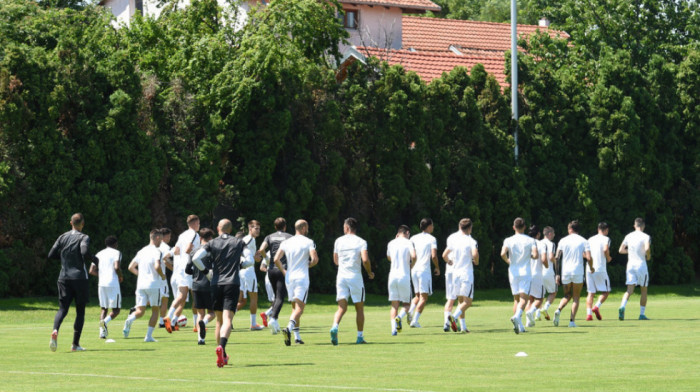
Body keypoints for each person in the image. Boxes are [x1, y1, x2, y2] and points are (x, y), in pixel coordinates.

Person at [192, 219, 245, 367]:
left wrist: (206, 272)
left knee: (218, 321)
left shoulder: (212, 243)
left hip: (215, 284)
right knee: (228, 319)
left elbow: (196, 258)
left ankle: (223, 354)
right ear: (231, 229)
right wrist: (240, 265)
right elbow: (250, 260)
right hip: (232, 283)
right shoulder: (238, 241)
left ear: (218, 228)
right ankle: (221, 347)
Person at [48, 213, 96, 352]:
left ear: (71, 223)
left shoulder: (62, 237)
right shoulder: (84, 237)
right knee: (80, 311)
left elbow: (51, 254)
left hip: (63, 277)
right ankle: (75, 345)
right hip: (79, 278)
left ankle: (55, 330)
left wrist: (64, 258)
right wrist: (93, 259)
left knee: (62, 309)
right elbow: (85, 251)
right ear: (82, 224)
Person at [273, 219, 319, 346]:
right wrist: (308, 264)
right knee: (300, 308)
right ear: (303, 228)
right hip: (301, 278)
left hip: (289, 278)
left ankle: (297, 337)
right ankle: (288, 328)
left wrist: (283, 271)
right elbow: (315, 259)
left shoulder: (287, 242)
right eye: (307, 227)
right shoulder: (308, 241)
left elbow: (276, 258)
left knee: (294, 308)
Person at [330, 218, 375, 345]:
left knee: (341, 307)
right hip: (355, 277)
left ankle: (334, 326)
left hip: (341, 277)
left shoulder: (338, 241)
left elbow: (335, 260)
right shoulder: (361, 242)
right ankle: (360, 337)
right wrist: (369, 272)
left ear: (347, 227)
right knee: (359, 308)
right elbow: (365, 260)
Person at [123, 229, 168, 342]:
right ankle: (148, 336)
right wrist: (162, 276)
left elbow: (130, 267)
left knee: (140, 310)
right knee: (155, 310)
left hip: (141, 285)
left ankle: (130, 319)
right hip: (153, 285)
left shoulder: (141, 251)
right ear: (157, 238)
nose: (161, 242)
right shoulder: (157, 251)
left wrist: (141, 275)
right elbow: (157, 266)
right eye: (161, 239)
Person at [501, 217, 538, 334]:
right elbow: (535, 255)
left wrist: (508, 261)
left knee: (516, 300)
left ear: (514, 227)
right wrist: (530, 256)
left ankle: (520, 326)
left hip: (513, 272)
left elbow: (502, 253)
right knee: (524, 299)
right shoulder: (530, 240)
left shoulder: (508, 240)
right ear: (525, 227)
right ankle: (517, 317)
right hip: (525, 272)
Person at [552, 220, 592, 328]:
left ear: (570, 229)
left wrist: (557, 274)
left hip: (565, 272)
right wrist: (592, 267)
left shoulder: (563, 240)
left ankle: (558, 310)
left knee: (567, 295)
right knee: (576, 297)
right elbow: (588, 257)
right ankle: (571, 322)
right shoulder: (584, 241)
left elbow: (557, 258)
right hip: (578, 272)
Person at [164, 215, 201, 332]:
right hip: (190, 268)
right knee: (195, 294)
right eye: (198, 223)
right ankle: (196, 324)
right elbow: (188, 249)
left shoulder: (182, 235)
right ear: (195, 223)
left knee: (182, 296)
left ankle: (170, 318)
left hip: (180, 269)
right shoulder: (195, 235)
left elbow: (176, 250)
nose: (199, 226)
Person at [443, 218, 479, 333]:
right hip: (466, 274)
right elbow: (475, 254)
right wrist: (476, 261)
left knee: (460, 301)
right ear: (469, 228)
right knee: (468, 302)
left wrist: (449, 261)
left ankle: (463, 327)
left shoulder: (455, 240)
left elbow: (444, 255)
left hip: (455, 274)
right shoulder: (471, 241)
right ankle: (453, 317)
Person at [258, 218, 293, 334]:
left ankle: (275, 323)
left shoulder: (269, 236)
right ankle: (273, 319)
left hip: (271, 269)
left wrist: (266, 258)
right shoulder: (289, 237)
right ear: (285, 226)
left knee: (276, 297)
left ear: (275, 227)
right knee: (280, 297)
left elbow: (261, 249)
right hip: (282, 269)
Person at [89, 235, 123, 339]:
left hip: (102, 284)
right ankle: (104, 323)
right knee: (116, 310)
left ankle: (102, 333)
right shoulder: (116, 253)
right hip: (113, 284)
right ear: (115, 244)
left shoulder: (99, 253)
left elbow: (91, 270)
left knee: (104, 309)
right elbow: (116, 267)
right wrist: (121, 276)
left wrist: (103, 275)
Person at [186, 228, 216, 344]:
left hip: (196, 285)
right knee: (212, 312)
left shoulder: (193, 251)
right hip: (210, 284)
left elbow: (187, 270)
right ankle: (205, 322)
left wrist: (195, 273)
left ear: (200, 238)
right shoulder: (213, 251)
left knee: (200, 313)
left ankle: (200, 338)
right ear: (210, 238)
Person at [618, 218, 652, 321]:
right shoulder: (646, 236)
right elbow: (646, 249)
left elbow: (621, 250)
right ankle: (642, 314)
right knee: (644, 290)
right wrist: (648, 256)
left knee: (629, 290)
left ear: (634, 225)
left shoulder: (628, 236)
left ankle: (622, 306)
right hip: (641, 265)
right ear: (643, 226)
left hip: (630, 265)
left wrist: (632, 251)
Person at [408, 218, 439, 328]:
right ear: (429, 226)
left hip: (414, 270)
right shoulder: (432, 239)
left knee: (417, 295)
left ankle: (410, 312)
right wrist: (437, 267)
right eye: (432, 225)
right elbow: (434, 256)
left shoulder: (413, 238)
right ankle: (414, 320)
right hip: (424, 271)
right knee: (424, 298)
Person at [387, 225, 416, 335]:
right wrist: (411, 265)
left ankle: (393, 329)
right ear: (407, 233)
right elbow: (414, 256)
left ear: (397, 233)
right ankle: (399, 317)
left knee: (394, 305)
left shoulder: (391, 243)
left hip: (392, 276)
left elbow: (389, 257)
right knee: (407, 304)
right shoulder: (408, 242)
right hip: (404, 276)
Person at [237, 220, 264, 330]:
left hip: (241, 271)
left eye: (258, 228)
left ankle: (227, 318)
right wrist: (256, 258)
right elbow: (244, 254)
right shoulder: (250, 239)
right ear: (250, 229)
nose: (257, 230)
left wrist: (255, 258)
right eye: (255, 228)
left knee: (242, 301)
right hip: (248, 271)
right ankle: (253, 324)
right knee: (254, 297)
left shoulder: (246, 239)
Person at [586, 222, 612, 321]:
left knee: (590, 293)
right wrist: (608, 258)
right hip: (600, 268)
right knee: (606, 291)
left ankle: (589, 315)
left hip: (589, 268)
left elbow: (585, 253)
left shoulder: (590, 239)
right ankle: (596, 306)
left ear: (598, 229)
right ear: (606, 230)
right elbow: (605, 250)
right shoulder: (606, 239)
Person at [524, 226, 548, 328]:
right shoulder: (541, 244)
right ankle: (531, 312)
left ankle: (528, 322)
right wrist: (546, 265)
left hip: (526, 274)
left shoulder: (526, 243)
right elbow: (543, 259)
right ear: (538, 234)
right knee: (540, 299)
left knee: (530, 299)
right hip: (537, 274)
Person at [538, 226, 557, 321]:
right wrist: (555, 261)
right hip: (548, 271)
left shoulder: (538, 243)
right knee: (553, 292)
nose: (554, 235)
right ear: (549, 234)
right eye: (553, 233)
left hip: (537, 272)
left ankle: (537, 314)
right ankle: (545, 308)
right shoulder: (551, 244)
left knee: (540, 295)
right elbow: (550, 257)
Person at [157, 228, 174, 328]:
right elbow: (165, 261)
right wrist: (174, 269)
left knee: (156, 298)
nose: (170, 238)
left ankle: (136, 308)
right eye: (169, 236)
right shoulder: (165, 247)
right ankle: (162, 322)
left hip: (153, 276)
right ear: (164, 236)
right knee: (165, 298)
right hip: (161, 277)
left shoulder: (155, 246)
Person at [258, 252, 275, 327]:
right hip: (275, 278)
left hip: (268, 278)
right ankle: (266, 314)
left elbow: (262, 267)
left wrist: (268, 271)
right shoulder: (281, 251)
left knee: (273, 301)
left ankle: (272, 321)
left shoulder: (268, 253)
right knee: (277, 300)